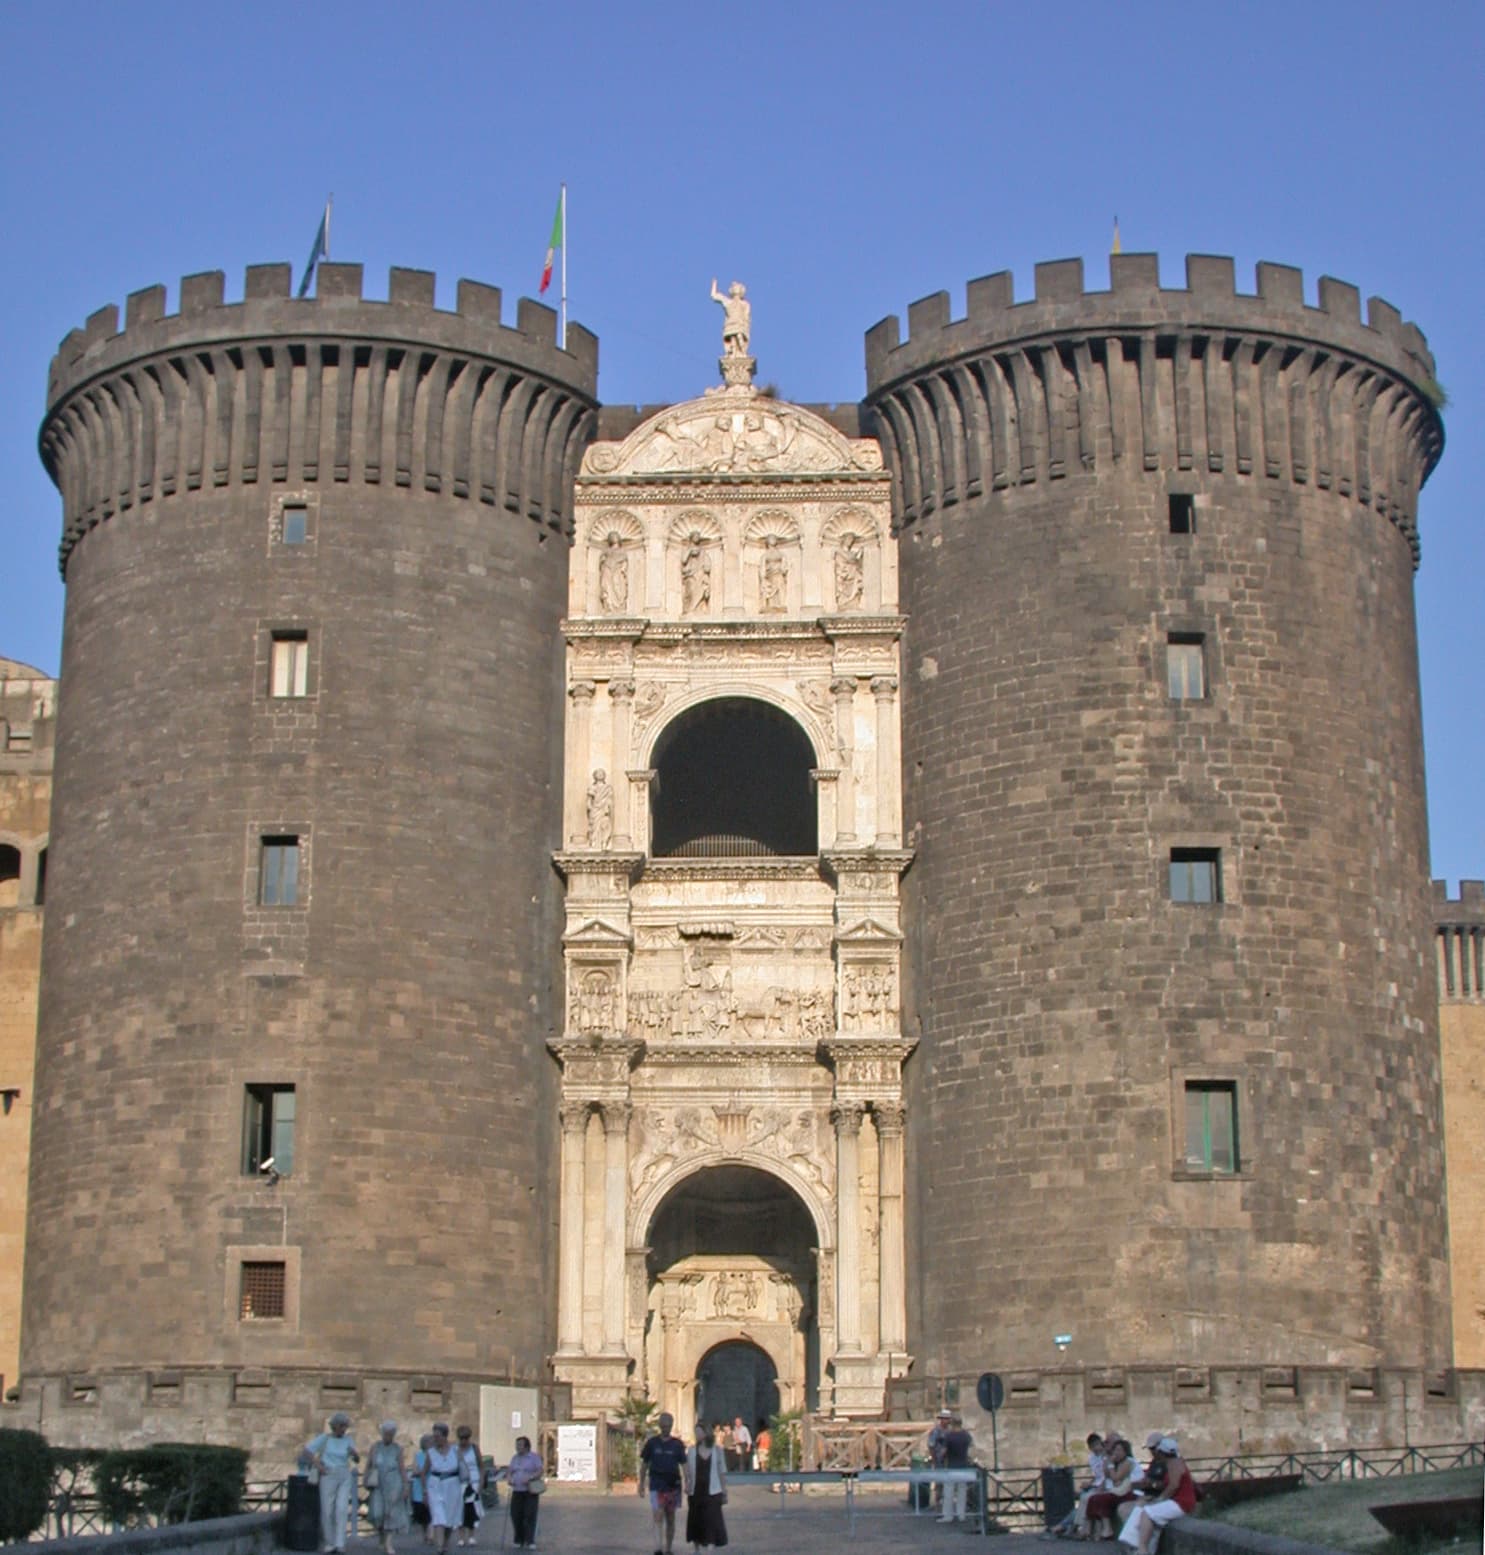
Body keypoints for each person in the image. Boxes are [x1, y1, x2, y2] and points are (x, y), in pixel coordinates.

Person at [1119, 1438, 1195, 1552]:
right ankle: (1141, 1546)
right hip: (1179, 1501)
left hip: (1181, 1502)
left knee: (1147, 1513)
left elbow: (1173, 1486)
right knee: (1147, 1511)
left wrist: (1160, 1499)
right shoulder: (1176, 1462)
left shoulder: (1174, 1464)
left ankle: (1142, 1548)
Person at [305, 1410, 360, 1555]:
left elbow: (356, 1459)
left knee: (341, 1509)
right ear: (335, 1426)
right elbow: (308, 1451)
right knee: (327, 1509)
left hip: (344, 1474)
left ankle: (340, 1543)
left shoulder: (348, 1439)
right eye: (342, 1426)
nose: (344, 1429)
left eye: (345, 1426)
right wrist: (319, 1466)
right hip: (328, 1474)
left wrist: (354, 1454)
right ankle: (329, 1542)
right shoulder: (325, 1438)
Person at [639, 1411, 688, 1555]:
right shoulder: (652, 1443)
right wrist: (641, 1484)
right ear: (660, 1426)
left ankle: (668, 1548)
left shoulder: (677, 1445)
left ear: (671, 1426)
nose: (666, 1428)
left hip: (673, 1485)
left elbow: (684, 1465)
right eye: (663, 1425)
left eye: (668, 1426)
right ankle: (658, 1547)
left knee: (671, 1517)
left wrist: (688, 1481)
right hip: (656, 1483)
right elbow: (644, 1464)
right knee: (658, 1514)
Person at [367, 1421, 411, 1555]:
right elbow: (369, 1464)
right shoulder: (375, 1447)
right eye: (386, 1434)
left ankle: (388, 1543)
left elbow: (402, 1468)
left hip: (393, 1482)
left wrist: (405, 1485)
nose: (388, 1437)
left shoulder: (397, 1449)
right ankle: (381, 1535)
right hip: (378, 1483)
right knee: (378, 1513)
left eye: (390, 1434)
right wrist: (366, 1479)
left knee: (391, 1513)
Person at [1050, 1432, 1106, 1538]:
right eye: (1094, 1446)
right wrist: (1089, 1483)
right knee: (1083, 1498)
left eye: (1098, 1444)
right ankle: (1070, 1526)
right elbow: (1097, 1475)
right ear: (1090, 1447)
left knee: (1085, 1499)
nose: (1097, 1448)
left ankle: (1070, 1526)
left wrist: (1096, 1486)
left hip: (1104, 1486)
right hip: (1096, 1485)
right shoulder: (1092, 1458)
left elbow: (1106, 1476)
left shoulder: (1106, 1456)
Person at [1085, 1437, 1139, 1539]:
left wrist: (1110, 1465)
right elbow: (1106, 1474)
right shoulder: (1118, 1463)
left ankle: (1107, 1529)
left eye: (1119, 1450)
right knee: (1093, 1499)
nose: (1116, 1452)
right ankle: (1093, 1529)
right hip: (1120, 1490)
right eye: (1115, 1450)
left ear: (1125, 1451)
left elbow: (1115, 1478)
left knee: (1102, 1498)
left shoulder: (1128, 1462)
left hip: (1130, 1492)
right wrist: (1107, 1459)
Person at [685, 1427, 729, 1550]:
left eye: (699, 1431)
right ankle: (696, 1549)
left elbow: (722, 1472)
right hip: (696, 1491)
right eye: (696, 1432)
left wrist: (724, 1491)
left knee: (712, 1520)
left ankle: (710, 1548)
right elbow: (688, 1470)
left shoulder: (717, 1450)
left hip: (713, 1491)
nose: (697, 1434)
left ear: (706, 1433)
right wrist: (687, 1483)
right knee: (696, 1520)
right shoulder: (692, 1450)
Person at [422, 1423, 463, 1552]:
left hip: (452, 1485)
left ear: (445, 1436)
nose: (436, 1439)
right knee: (438, 1516)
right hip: (435, 1484)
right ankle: (439, 1547)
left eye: (438, 1436)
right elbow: (424, 1472)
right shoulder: (431, 1452)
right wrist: (425, 1491)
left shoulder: (455, 1450)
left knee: (449, 1519)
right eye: (434, 1437)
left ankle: (445, 1542)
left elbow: (462, 1468)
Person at [502, 1435, 544, 1551]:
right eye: (516, 1445)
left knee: (529, 1515)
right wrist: (509, 1478)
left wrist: (531, 1477)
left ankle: (530, 1540)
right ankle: (518, 1539)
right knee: (516, 1515)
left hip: (530, 1490)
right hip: (517, 1490)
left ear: (526, 1446)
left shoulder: (534, 1457)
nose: (517, 1447)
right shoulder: (515, 1458)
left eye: (519, 1445)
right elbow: (510, 1471)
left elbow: (540, 1470)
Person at [937, 1412, 974, 1524]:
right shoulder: (967, 1436)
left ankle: (948, 1516)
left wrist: (940, 1457)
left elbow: (943, 1452)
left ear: (952, 1424)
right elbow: (971, 1449)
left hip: (951, 1466)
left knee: (949, 1492)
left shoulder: (949, 1436)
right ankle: (961, 1514)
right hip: (963, 1466)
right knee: (962, 1492)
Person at [454, 1425, 484, 1547]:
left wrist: (481, 1483)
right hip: (459, 1483)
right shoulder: (454, 1450)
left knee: (472, 1510)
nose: (464, 1441)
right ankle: (461, 1537)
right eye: (461, 1438)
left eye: (466, 1438)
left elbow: (481, 1466)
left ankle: (471, 1535)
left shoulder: (474, 1449)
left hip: (473, 1482)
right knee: (459, 1510)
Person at [411, 1434, 434, 1545]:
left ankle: (430, 1536)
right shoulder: (418, 1455)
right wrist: (423, 1472)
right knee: (422, 1515)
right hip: (418, 1488)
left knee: (431, 1513)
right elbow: (414, 1470)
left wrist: (422, 1471)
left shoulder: (434, 1455)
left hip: (431, 1486)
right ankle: (425, 1534)